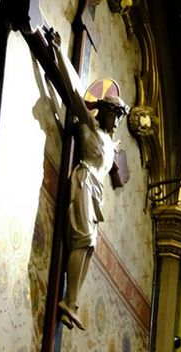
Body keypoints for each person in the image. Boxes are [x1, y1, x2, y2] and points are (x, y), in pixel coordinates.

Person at [42, 27, 128, 331]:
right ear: (102, 111)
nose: (116, 119)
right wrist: (58, 51)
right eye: (113, 113)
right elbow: (75, 91)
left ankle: (72, 302)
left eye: (120, 115)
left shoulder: (111, 143)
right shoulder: (89, 127)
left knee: (89, 245)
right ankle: (69, 300)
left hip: (97, 191)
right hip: (84, 180)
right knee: (84, 239)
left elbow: (118, 168)